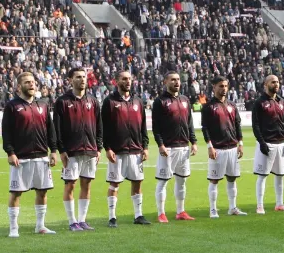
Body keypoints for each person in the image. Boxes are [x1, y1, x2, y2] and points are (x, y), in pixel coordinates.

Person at [3, 71, 58, 237]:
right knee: (16, 193)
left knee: (42, 191)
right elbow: (6, 132)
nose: (32, 84)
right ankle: (14, 228)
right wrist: (10, 152)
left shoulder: (42, 105)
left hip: (41, 156)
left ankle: (40, 226)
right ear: (19, 86)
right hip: (21, 158)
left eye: (33, 82)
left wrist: (53, 150)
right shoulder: (12, 106)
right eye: (27, 82)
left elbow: (50, 130)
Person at [54, 67, 102, 232]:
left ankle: (82, 220)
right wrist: (61, 150)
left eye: (84, 77)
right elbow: (57, 128)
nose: (82, 80)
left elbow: (99, 126)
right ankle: (71, 221)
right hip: (71, 151)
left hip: (90, 149)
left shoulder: (93, 101)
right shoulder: (62, 101)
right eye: (78, 77)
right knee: (70, 185)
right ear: (70, 80)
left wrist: (99, 148)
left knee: (86, 184)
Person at [101, 70, 151, 227]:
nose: (127, 81)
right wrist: (107, 148)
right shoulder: (109, 102)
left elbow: (143, 127)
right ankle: (112, 217)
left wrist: (146, 146)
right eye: (124, 79)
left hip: (136, 150)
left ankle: (138, 215)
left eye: (129, 78)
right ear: (117, 81)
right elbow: (103, 128)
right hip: (117, 151)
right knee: (114, 184)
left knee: (137, 182)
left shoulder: (137, 102)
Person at [152, 71, 198, 223]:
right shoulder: (160, 101)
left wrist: (194, 142)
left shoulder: (185, 100)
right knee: (163, 181)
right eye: (173, 80)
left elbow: (189, 123)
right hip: (168, 148)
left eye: (178, 79)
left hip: (184, 146)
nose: (176, 82)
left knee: (182, 181)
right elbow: (156, 126)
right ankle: (161, 213)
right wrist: (160, 145)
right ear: (166, 81)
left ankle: (180, 211)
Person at [201, 76, 246, 219]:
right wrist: (210, 146)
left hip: (232, 147)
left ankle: (232, 207)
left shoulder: (232, 105)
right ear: (214, 87)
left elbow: (237, 125)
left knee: (232, 178)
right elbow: (205, 128)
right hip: (218, 148)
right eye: (221, 86)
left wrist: (240, 144)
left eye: (226, 86)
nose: (224, 89)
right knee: (214, 180)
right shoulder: (208, 107)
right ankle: (213, 209)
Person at [252, 74, 284, 214]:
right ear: (266, 85)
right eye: (273, 82)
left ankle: (279, 203)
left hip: (280, 143)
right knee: (262, 175)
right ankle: (259, 205)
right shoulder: (259, 102)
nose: (276, 84)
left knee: (280, 175)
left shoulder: (281, 101)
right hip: (267, 144)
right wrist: (261, 142)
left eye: (277, 82)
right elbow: (256, 125)